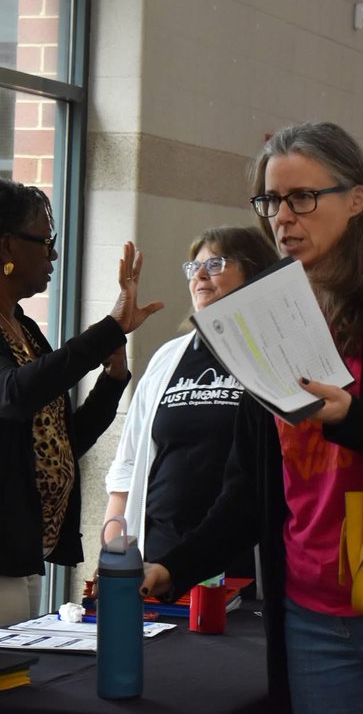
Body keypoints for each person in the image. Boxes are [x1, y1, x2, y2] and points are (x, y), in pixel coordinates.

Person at [142, 122, 363, 713]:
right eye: (270, 201)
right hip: (309, 614)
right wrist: (172, 568)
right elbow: (249, 489)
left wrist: (354, 420)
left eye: (302, 199)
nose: (282, 218)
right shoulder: (261, 315)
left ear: (356, 200)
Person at [0, 175, 162, 642]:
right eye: (45, 241)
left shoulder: (16, 325)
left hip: (16, 542)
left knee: (11, 681)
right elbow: (9, 395)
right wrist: (108, 328)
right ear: (7, 245)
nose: (53, 256)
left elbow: (59, 439)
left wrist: (113, 378)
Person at [102, 226, 277, 582]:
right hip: (158, 559)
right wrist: (116, 553)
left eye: (215, 264)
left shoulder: (273, 355)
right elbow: (128, 463)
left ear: (254, 272)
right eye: (193, 267)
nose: (198, 275)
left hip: (241, 562)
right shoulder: (169, 357)